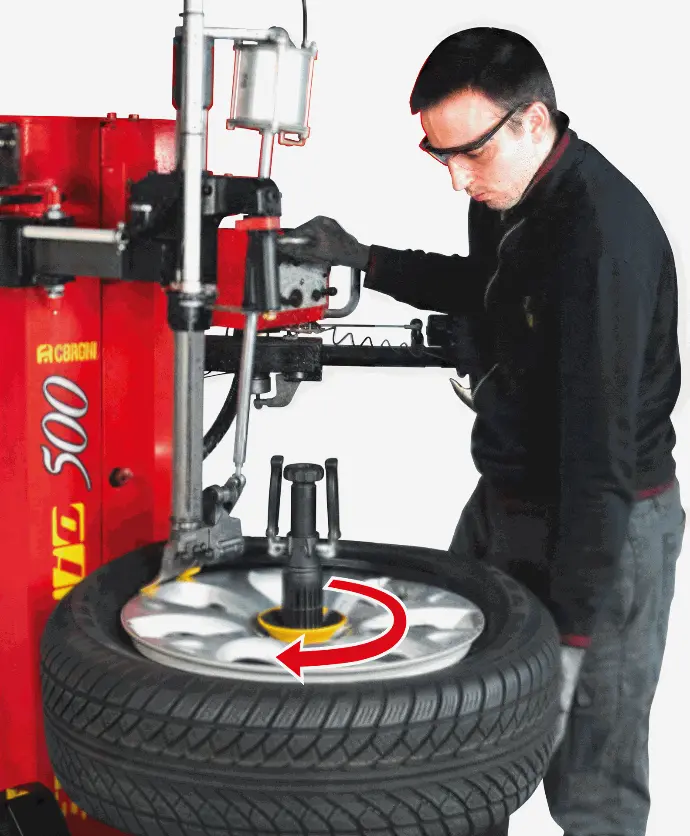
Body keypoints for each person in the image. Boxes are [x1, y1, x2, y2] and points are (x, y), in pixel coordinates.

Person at [279, 26, 685, 836]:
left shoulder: (602, 240)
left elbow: (599, 464)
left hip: (604, 526)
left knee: (592, 785)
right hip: (511, 495)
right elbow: (488, 285)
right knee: (456, 740)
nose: (459, 179)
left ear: (533, 121)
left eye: (471, 153)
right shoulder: (511, 196)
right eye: (440, 156)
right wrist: (365, 258)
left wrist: (571, 642)